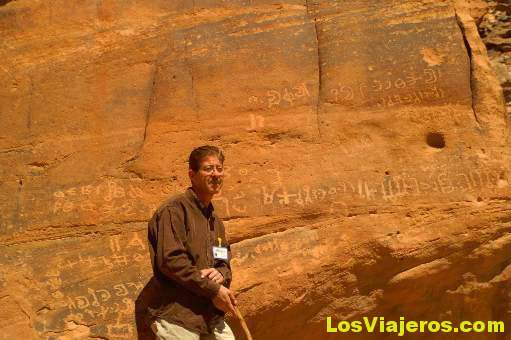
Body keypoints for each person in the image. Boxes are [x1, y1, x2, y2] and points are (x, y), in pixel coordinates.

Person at [147, 145, 237, 340]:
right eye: (208, 169)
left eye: (219, 169)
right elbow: (171, 261)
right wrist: (213, 289)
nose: (215, 174)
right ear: (192, 174)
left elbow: (224, 262)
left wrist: (220, 274)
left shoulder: (216, 221)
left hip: (211, 318)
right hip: (179, 319)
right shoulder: (174, 211)